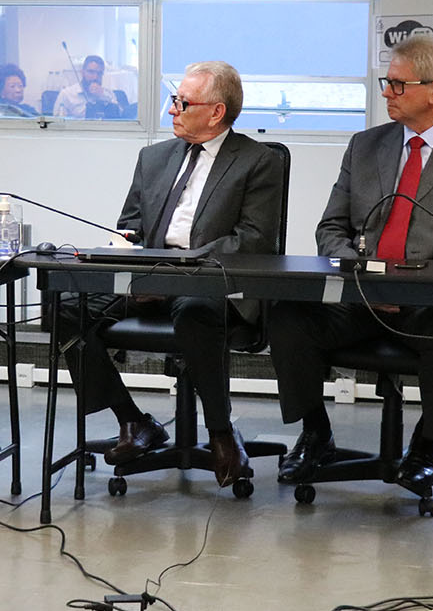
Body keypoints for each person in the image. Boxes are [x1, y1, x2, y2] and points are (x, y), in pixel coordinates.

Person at [270, 36, 433, 496]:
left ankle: (425, 447)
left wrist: (414, 284)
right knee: (287, 313)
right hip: (361, 297)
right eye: (387, 83)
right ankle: (316, 433)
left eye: (398, 85)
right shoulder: (365, 146)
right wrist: (360, 270)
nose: (387, 93)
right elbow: (331, 228)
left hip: (431, 303)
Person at [57, 60, 283, 488]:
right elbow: (131, 226)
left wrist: (175, 270)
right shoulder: (154, 157)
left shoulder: (257, 162)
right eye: (173, 100)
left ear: (216, 112)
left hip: (210, 282)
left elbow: (251, 242)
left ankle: (220, 430)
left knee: (196, 308)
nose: (171, 110)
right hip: (148, 276)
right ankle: (133, 420)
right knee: (67, 308)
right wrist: (132, 257)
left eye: (181, 102)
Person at [52, 54, 122, 119]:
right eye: (91, 72)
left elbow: (122, 116)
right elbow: (57, 122)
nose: (95, 77)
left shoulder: (108, 93)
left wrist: (104, 96)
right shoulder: (67, 94)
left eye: (99, 73)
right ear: (82, 72)